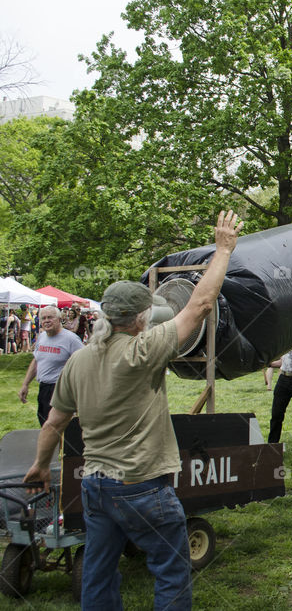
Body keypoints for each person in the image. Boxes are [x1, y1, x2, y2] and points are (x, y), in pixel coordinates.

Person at [24, 210, 242, 610]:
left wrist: (39, 467)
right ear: (142, 317)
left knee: (99, 572)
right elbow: (200, 304)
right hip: (141, 487)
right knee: (172, 571)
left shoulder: (78, 361)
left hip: (96, 485)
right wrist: (224, 249)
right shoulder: (145, 349)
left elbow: (54, 423)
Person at [18, 305, 84, 425]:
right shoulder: (42, 337)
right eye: (43, 318)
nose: (46, 321)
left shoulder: (71, 339)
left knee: (57, 427)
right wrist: (25, 384)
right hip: (44, 388)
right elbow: (36, 361)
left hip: (61, 389)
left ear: (59, 319)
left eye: (50, 317)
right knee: (44, 422)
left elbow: (84, 363)